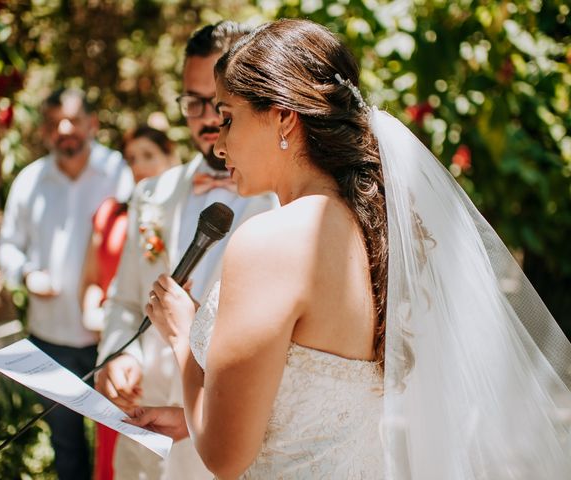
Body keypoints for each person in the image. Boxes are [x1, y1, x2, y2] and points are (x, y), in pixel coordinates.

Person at [127, 19, 571, 479]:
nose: (219, 144)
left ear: (283, 116)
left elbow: (224, 457)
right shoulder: (371, 229)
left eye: (228, 118)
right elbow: (308, 401)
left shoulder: (270, 242)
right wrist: (192, 417)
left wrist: (182, 339)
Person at [94, 21, 278, 479]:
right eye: (192, 103)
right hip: (142, 444)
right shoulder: (152, 194)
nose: (207, 119)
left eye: (216, 103)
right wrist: (119, 356)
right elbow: (124, 300)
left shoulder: (280, 207)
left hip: (225, 451)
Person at [0, 88, 133, 480]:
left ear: (92, 123)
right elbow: (6, 243)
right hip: (50, 336)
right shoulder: (30, 180)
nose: (65, 129)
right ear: (44, 131)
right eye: (55, 123)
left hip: (108, 337)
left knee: (117, 439)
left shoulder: (119, 172)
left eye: (73, 120)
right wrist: (25, 274)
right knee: (66, 443)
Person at [79, 125, 178, 480]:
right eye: (132, 159)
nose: (139, 166)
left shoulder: (187, 210)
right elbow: (101, 283)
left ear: (172, 156)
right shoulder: (115, 213)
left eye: (148, 156)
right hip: (125, 357)